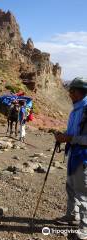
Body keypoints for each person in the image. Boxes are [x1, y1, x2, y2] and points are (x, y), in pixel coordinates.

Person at [55, 77, 87, 240]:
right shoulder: (76, 109)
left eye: (72, 91)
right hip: (74, 153)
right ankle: (72, 216)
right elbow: (74, 131)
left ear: (81, 92)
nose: (69, 94)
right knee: (71, 187)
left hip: (84, 156)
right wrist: (63, 135)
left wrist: (69, 138)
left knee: (82, 192)